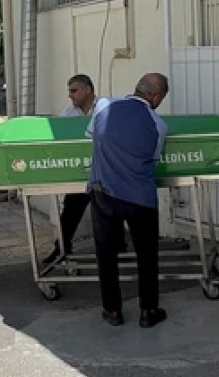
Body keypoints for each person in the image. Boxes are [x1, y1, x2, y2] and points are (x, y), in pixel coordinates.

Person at [86, 72, 170, 328]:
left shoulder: (103, 106)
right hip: (140, 197)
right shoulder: (158, 124)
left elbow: (91, 135)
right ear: (155, 96)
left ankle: (112, 311)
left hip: (103, 192)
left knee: (106, 255)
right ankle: (148, 312)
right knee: (146, 255)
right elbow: (153, 158)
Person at [41, 74, 125, 264]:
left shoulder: (106, 108)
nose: (70, 95)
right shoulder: (69, 113)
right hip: (80, 171)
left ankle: (119, 248)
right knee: (71, 211)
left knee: (112, 209)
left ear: (87, 90)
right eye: (69, 91)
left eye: (74, 90)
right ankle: (61, 249)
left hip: (105, 169)